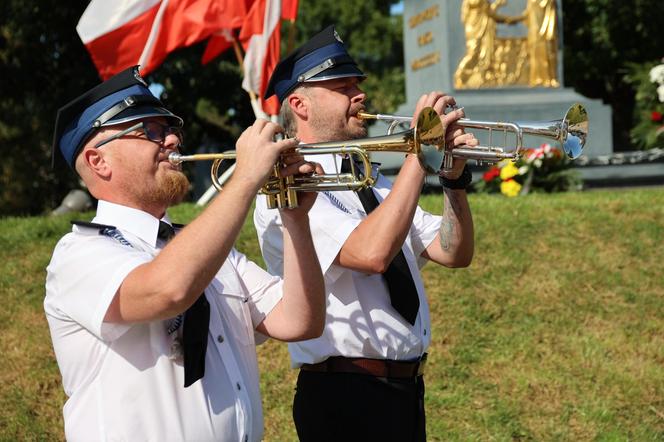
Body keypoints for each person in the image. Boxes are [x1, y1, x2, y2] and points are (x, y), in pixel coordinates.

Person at [45, 66, 326, 441]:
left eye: (170, 129)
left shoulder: (205, 249)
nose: (174, 140)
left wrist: (295, 218)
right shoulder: (79, 253)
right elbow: (167, 291)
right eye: (150, 132)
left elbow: (299, 322)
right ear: (99, 161)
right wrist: (244, 177)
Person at [253, 26, 478, 441]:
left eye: (358, 85)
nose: (360, 96)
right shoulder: (290, 186)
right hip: (345, 392)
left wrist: (453, 180)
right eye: (343, 87)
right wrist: (419, 153)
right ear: (299, 104)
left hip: (403, 390)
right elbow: (371, 253)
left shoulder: (374, 183)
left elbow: (453, 251)